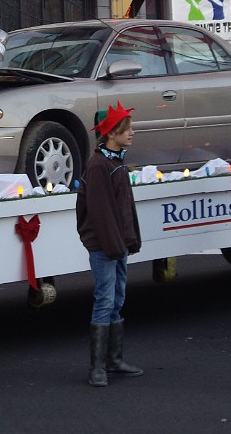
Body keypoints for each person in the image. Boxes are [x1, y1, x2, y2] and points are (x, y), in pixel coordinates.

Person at [76, 101, 143, 387]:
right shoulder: (99, 165)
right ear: (112, 133)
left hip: (118, 245)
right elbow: (101, 212)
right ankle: (97, 367)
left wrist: (130, 239)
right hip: (106, 246)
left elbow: (125, 207)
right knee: (104, 300)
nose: (131, 133)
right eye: (126, 129)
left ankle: (113, 360)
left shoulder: (115, 161)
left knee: (117, 299)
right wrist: (116, 245)